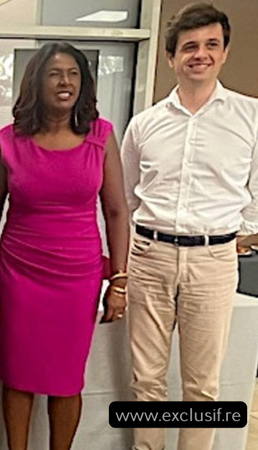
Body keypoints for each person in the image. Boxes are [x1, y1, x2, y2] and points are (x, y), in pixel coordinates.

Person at [0, 42, 129, 450]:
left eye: (73, 74)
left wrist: (119, 281)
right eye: (55, 73)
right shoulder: (9, 141)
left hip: (77, 280)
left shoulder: (101, 137)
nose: (65, 82)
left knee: (66, 380)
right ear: (36, 82)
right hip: (19, 276)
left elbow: (117, 212)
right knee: (18, 374)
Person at [121, 3, 258, 449]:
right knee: (148, 381)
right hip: (149, 257)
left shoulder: (250, 118)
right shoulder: (144, 125)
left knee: (203, 386)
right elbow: (127, 195)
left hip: (213, 261)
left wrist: (234, 236)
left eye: (210, 45)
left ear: (224, 52)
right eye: (189, 47)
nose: (199, 54)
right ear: (171, 58)